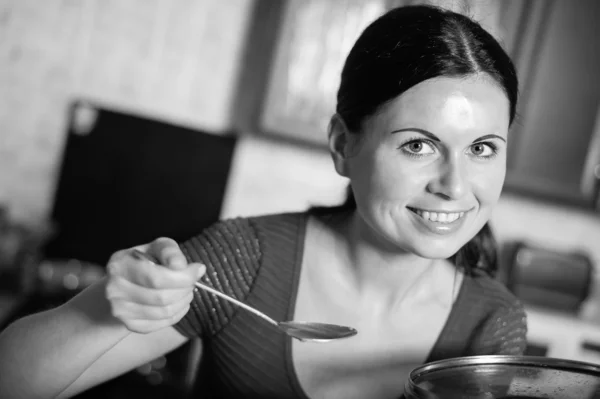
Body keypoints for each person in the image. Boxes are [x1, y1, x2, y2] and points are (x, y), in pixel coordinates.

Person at [0, 4, 527, 399]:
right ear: (344, 145)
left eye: (482, 149)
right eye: (418, 145)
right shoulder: (243, 260)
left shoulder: (491, 327)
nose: (456, 186)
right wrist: (106, 306)